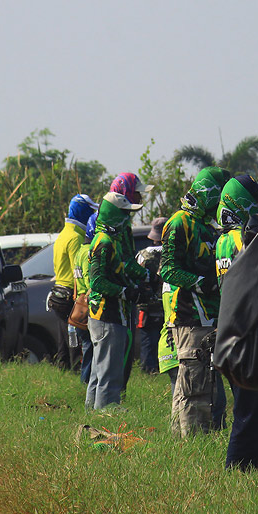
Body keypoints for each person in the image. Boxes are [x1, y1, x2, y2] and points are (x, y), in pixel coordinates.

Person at [160, 166, 232, 436]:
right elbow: (167, 268)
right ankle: (192, 444)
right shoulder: (179, 223)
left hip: (209, 317)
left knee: (203, 387)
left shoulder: (205, 226)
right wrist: (201, 283)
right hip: (190, 317)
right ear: (208, 193)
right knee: (194, 389)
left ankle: (183, 442)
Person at [215, 174, 258, 471]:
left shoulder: (222, 241)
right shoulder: (244, 238)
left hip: (229, 333)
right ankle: (236, 468)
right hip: (243, 335)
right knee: (249, 411)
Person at [84, 192, 145, 411]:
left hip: (107, 315)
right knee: (109, 376)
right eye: (124, 214)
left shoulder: (110, 240)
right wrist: (125, 293)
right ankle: (106, 419)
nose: (127, 219)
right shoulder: (104, 242)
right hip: (107, 315)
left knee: (98, 374)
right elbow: (98, 282)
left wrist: (143, 279)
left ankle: (91, 417)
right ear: (113, 214)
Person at [108, 173, 152, 391]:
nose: (140, 196)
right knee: (112, 361)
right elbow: (123, 262)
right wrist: (142, 276)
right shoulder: (113, 230)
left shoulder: (124, 225)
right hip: (115, 300)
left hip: (126, 297)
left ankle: (118, 397)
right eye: (136, 192)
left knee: (124, 354)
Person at [49, 194, 99, 367]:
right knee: (76, 340)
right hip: (70, 295)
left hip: (57, 292)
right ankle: (77, 370)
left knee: (64, 338)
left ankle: (63, 368)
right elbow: (77, 271)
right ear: (83, 212)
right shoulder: (76, 238)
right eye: (90, 211)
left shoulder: (63, 234)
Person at [135, 217, 168, 375]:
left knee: (147, 342)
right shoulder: (170, 254)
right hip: (167, 306)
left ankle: (148, 370)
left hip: (145, 306)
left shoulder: (141, 255)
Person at [71, 209, 98, 385]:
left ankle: (85, 383)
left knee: (87, 348)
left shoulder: (79, 251)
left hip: (78, 305)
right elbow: (91, 283)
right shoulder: (89, 253)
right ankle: (86, 385)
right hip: (88, 307)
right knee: (90, 350)